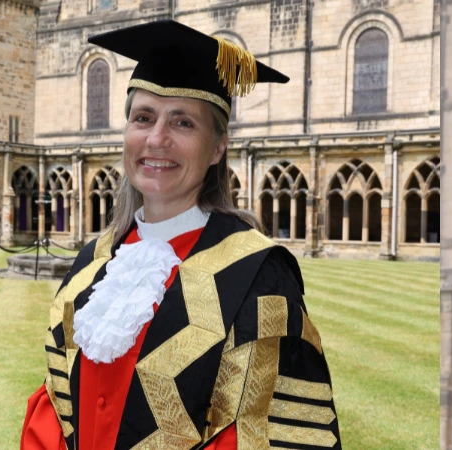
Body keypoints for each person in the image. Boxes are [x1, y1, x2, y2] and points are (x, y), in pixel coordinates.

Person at [20, 20, 342, 450]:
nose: (157, 139)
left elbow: (268, 434)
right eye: (143, 118)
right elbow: (55, 415)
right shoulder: (90, 265)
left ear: (217, 147)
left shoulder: (257, 276)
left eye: (183, 123)